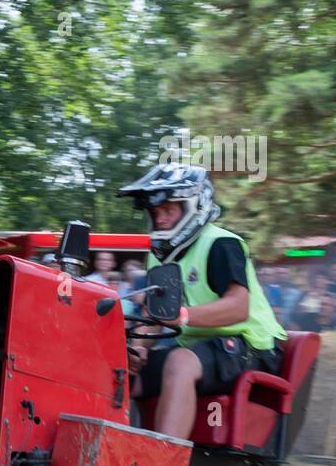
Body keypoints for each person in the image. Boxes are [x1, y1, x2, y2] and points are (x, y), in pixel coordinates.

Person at [118, 166, 286, 440]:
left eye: (167, 210)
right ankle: (114, 456)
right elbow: (155, 314)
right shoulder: (160, 254)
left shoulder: (221, 243)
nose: (159, 219)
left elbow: (237, 307)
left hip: (253, 346)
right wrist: (139, 349)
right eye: (155, 213)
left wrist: (182, 316)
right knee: (120, 369)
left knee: (180, 362)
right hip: (203, 350)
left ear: (192, 206)